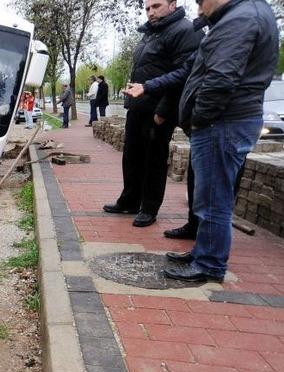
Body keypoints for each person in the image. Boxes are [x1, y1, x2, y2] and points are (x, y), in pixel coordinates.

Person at [163, 0, 279, 283]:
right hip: (226, 120)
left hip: (222, 122)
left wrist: (199, 117)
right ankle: (203, 252)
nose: (199, 9)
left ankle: (210, 263)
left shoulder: (241, 19)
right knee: (209, 196)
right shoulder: (248, 13)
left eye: (201, 2)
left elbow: (221, 77)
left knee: (214, 198)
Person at [102, 0, 202, 228]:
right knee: (132, 156)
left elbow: (183, 75)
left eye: (156, 6)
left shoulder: (185, 30)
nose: (151, 12)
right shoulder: (151, 33)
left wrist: (164, 110)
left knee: (153, 160)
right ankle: (130, 200)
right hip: (138, 106)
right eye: (147, 8)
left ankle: (149, 207)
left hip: (158, 110)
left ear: (172, 4)